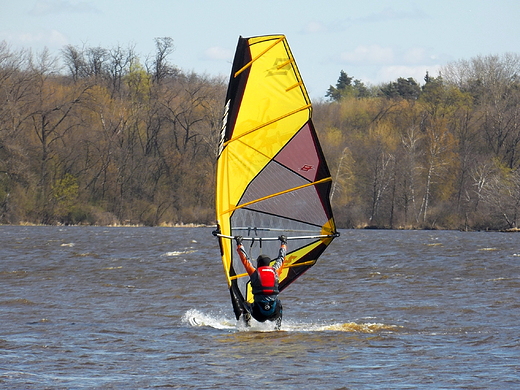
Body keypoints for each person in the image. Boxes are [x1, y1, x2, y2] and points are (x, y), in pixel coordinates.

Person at [234, 235, 287, 329]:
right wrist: (283, 243)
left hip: (257, 314)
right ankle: (278, 327)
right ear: (269, 264)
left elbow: (245, 259)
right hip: (274, 314)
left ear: (258, 264)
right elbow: (281, 258)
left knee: (245, 303)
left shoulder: (254, 273)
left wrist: (239, 244)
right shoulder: (275, 272)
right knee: (278, 303)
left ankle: (247, 326)